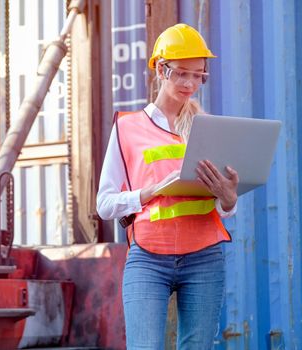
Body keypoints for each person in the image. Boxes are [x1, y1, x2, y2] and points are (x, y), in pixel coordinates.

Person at [97, 23, 239, 349]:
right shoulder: (127, 128)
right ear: (161, 69)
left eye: (198, 75)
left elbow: (224, 207)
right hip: (148, 258)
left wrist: (229, 198)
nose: (190, 83)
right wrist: (149, 192)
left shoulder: (208, 129)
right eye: (182, 73)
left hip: (205, 255)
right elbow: (104, 204)